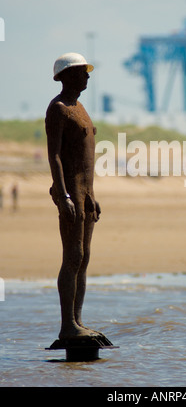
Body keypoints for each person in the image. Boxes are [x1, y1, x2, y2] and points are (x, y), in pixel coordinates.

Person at [45, 53, 101, 340]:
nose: (87, 76)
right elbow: (54, 155)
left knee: (85, 257)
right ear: (66, 76)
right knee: (73, 256)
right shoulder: (58, 109)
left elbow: (86, 158)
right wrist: (63, 194)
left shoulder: (80, 108)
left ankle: (78, 321)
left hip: (86, 197)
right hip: (71, 195)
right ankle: (68, 325)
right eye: (82, 72)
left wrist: (92, 194)